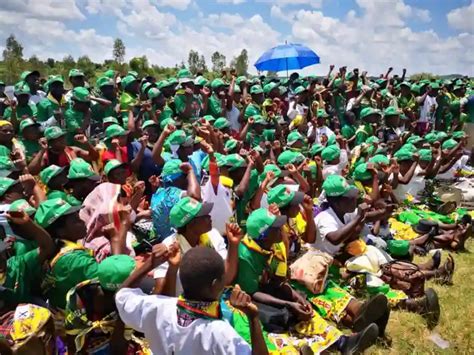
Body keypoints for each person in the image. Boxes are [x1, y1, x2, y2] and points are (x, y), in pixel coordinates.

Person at [116, 245, 269, 355]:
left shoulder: (156, 307)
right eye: (224, 277)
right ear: (215, 284)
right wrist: (253, 317)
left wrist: (150, 264)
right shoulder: (220, 333)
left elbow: (121, 294)